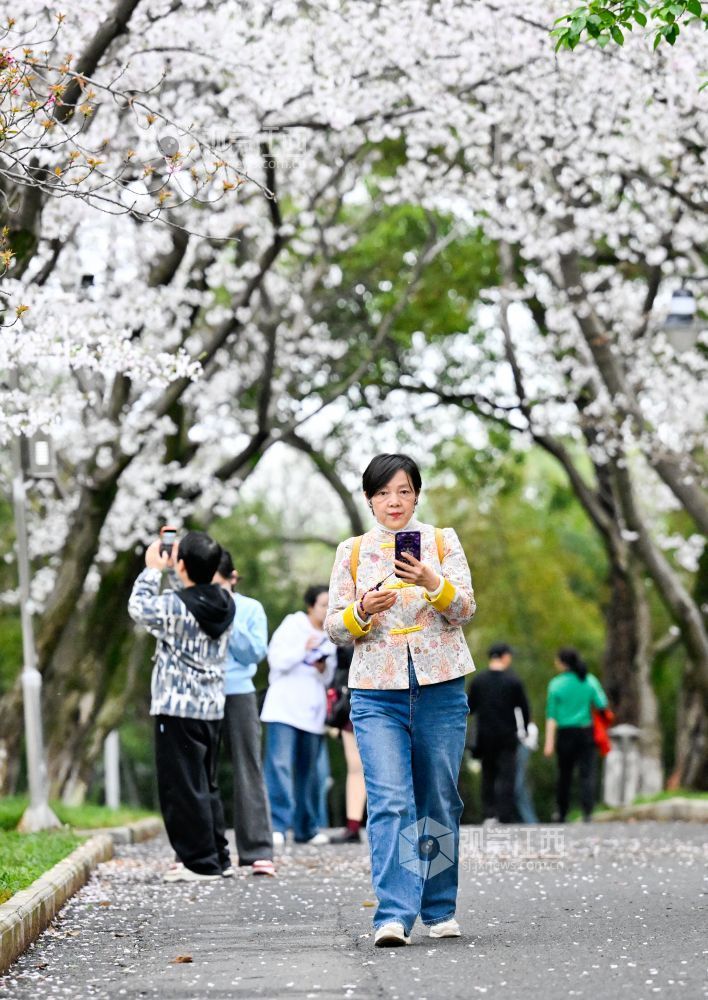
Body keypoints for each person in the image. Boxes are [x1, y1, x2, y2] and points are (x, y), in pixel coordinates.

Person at [325, 453, 476, 948]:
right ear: (369, 499)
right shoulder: (351, 551)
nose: (395, 501)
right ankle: (393, 914)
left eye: (404, 491)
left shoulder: (442, 541)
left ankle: (439, 907)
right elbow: (334, 627)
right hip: (376, 693)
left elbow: (465, 609)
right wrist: (362, 610)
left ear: (417, 495)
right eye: (384, 493)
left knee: (439, 799)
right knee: (390, 801)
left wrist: (432, 582)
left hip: (440, 687)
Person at [128, 530, 235, 882]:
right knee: (206, 784)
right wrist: (180, 568)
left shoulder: (173, 607)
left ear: (184, 566)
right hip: (211, 708)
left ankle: (199, 864)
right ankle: (218, 857)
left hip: (176, 708)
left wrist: (152, 569)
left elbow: (139, 607)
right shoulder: (225, 602)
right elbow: (192, 594)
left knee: (182, 788)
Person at [213, 550, 275, 877]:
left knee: (248, 769)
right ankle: (204, 852)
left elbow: (254, 653)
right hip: (200, 693)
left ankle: (257, 850)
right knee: (199, 772)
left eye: (219, 584)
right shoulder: (193, 605)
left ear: (233, 578)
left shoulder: (250, 608)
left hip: (239, 692)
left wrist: (226, 617)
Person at [261, 585, 337, 847]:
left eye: (331, 605)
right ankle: (277, 825)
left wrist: (322, 667)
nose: (327, 610)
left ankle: (307, 828)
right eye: (323, 605)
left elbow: (328, 678)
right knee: (279, 766)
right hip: (283, 708)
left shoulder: (331, 634)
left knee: (310, 772)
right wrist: (303, 649)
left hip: (312, 712)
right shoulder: (293, 625)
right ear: (310, 606)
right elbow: (275, 660)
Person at [467, 643, 531, 825]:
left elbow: (470, 707)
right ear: (504, 656)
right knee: (507, 775)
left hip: (485, 737)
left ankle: (489, 813)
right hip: (507, 736)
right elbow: (524, 708)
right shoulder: (513, 681)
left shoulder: (478, 681)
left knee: (488, 774)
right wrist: (525, 729)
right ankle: (504, 815)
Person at [544, 647, 609, 822]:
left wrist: (549, 743)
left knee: (564, 774)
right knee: (587, 773)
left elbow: (551, 716)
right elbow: (602, 704)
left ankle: (561, 812)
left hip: (565, 733)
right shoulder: (589, 680)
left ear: (562, 663)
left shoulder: (556, 684)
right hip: (586, 732)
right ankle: (588, 811)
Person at [327, 644, 368, 845]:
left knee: (357, 768)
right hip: (352, 700)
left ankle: (353, 825)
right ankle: (353, 825)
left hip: (361, 696)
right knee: (355, 767)